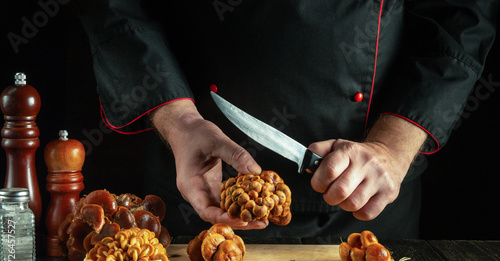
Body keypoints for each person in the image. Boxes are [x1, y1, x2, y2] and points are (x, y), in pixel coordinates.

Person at [77, 1, 498, 239]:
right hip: (200, 184)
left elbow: (465, 16)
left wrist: (392, 146)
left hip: (367, 202)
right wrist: (179, 120)